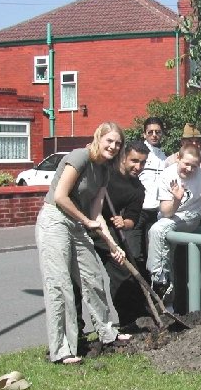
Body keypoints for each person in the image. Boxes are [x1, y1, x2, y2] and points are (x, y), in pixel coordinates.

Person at [35, 122, 132, 365]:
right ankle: (61, 350)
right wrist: (86, 221)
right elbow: (60, 196)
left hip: (78, 224)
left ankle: (108, 334)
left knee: (93, 277)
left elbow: (96, 214)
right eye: (109, 141)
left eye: (118, 143)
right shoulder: (80, 156)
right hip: (55, 220)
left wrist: (113, 245)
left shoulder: (104, 170)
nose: (113, 146)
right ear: (99, 138)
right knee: (60, 285)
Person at [146, 143, 201, 301]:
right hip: (169, 216)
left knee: (157, 230)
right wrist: (176, 200)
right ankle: (166, 288)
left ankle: (159, 279)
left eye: (194, 166)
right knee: (162, 239)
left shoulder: (200, 175)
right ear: (178, 158)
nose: (189, 169)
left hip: (191, 216)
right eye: (186, 164)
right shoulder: (167, 175)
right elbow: (166, 212)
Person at [93, 140, 150, 331]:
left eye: (142, 162)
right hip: (86, 222)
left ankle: (130, 321)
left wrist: (123, 222)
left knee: (124, 271)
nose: (138, 167)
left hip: (107, 230)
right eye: (134, 161)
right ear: (124, 157)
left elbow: (132, 219)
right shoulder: (106, 171)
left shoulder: (137, 189)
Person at [165, 123, 201, 224]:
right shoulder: (171, 161)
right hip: (180, 215)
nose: (194, 144)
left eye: (197, 141)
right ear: (182, 142)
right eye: (190, 141)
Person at [137, 117, 167, 270]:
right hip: (139, 211)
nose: (154, 135)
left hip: (156, 212)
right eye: (150, 132)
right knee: (137, 253)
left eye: (158, 132)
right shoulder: (138, 153)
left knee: (153, 254)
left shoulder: (164, 157)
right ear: (144, 134)